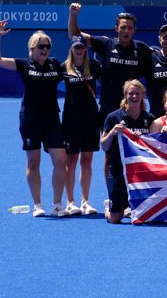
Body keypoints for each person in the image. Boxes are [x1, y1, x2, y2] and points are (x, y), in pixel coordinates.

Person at [0, 21, 68, 217]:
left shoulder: (56, 65)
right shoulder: (24, 64)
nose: (45, 49)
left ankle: (58, 204)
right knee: (33, 162)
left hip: (52, 118)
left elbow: (77, 67)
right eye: (41, 46)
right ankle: (38, 204)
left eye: (47, 46)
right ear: (32, 48)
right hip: (30, 118)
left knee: (61, 161)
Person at [68, 3, 151, 124]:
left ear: (134, 30)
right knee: (108, 141)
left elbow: (163, 54)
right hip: (108, 107)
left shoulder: (142, 48)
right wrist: (73, 15)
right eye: (123, 27)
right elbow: (75, 36)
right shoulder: (106, 44)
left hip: (132, 106)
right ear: (116, 29)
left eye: (130, 28)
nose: (126, 31)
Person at [100, 79, 155, 224]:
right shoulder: (113, 117)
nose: (134, 96)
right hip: (118, 170)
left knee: (147, 216)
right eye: (131, 93)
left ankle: (129, 205)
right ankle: (110, 209)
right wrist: (112, 132)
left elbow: (155, 146)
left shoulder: (148, 119)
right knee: (115, 219)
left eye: (137, 93)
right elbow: (104, 146)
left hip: (140, 172)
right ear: (125, 95)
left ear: (143, 95)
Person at [60, 35, 102, 216]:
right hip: (71, 119)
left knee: (87, 160)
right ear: (71, 48)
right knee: (71, 160)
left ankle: (85, 201)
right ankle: (70, 201)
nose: (79, 50)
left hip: (91, 119)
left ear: (86, 48)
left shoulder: (94, 66)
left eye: (82, 47)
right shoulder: (63, 67)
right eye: (76, 47)